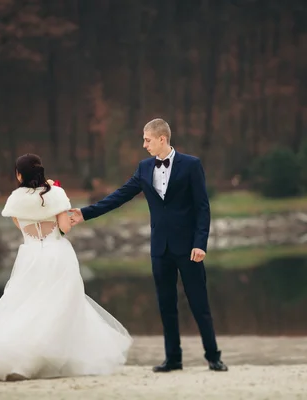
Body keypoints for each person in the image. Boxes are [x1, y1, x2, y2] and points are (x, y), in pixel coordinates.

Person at [70, 118, 228, 372]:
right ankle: (173, 359)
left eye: (147, 139)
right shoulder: (144, 168)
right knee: (166, 305)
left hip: (189, 248)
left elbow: (202, 207)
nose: (144, 145)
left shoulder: (191, 165)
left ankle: (213, 357)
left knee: (200, 304)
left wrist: (200, 243)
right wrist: (85, 213)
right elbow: (120, 196)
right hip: (160, 249)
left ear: (162, 138)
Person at [0, 154, 132, 381]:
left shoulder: (14, 199)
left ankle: (18, 358)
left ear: (19, 175)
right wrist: (57, 205)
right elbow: (65, 228)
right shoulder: (56, 194)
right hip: (57, 254)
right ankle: (42, 359)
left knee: (24, 304)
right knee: (60, 306)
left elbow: (20, 225)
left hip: (30, 256)